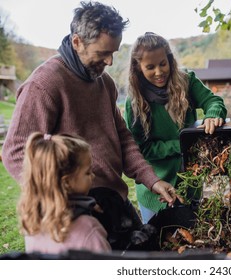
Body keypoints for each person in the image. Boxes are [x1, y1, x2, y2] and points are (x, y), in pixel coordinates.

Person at [2, 1, 177, 247]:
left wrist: (152, 179)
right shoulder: (44, 85)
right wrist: (65, 200)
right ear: (77, 42)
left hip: (114, 200)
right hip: (76, 212)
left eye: (113, 53)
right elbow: (16, 151)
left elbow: (123, 137)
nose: (109, 62)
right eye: (102, 53)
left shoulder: (105, 84)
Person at [124, 32, 227, 223]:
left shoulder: (186, 81)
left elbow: (213, 101)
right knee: (159, 243)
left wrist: (213, 115)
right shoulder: (134, 104)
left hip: (189, 182)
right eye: (150, 67)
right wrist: (181, 144)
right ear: (138, 68)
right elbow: (140, 149)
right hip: (155, 188)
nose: (159, 72)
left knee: (190, 239)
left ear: (170, 60)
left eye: (163, 63)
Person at [18, 132, 111, 254]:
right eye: (88, 172)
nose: (93, 176)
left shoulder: (32, 225)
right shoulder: (88, 228)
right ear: (67, 182)